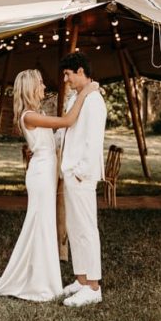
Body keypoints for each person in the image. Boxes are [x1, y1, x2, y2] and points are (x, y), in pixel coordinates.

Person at [0, 69, 99, 301]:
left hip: (44, 171)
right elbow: (68, 121)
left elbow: (56, 135)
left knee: (43, 224)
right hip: (40, 175)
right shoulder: (29, 115)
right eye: (40, 83)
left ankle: (41, 276)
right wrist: (84, 92)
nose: (44, 87)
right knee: (40, 224)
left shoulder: (34, 113)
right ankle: (40, 281)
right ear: (30, 88)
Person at [57, 52, 107, 307]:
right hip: (70, 172)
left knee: (87, 229)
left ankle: (94, 287)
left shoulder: (94, 101)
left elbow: (93, 140)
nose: (65, 79)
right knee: (74, 229)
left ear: (79, 71)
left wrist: (81, 171)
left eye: (67, 74)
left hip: (81, 175)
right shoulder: (75, 99)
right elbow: (67, 130)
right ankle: (81, 279)